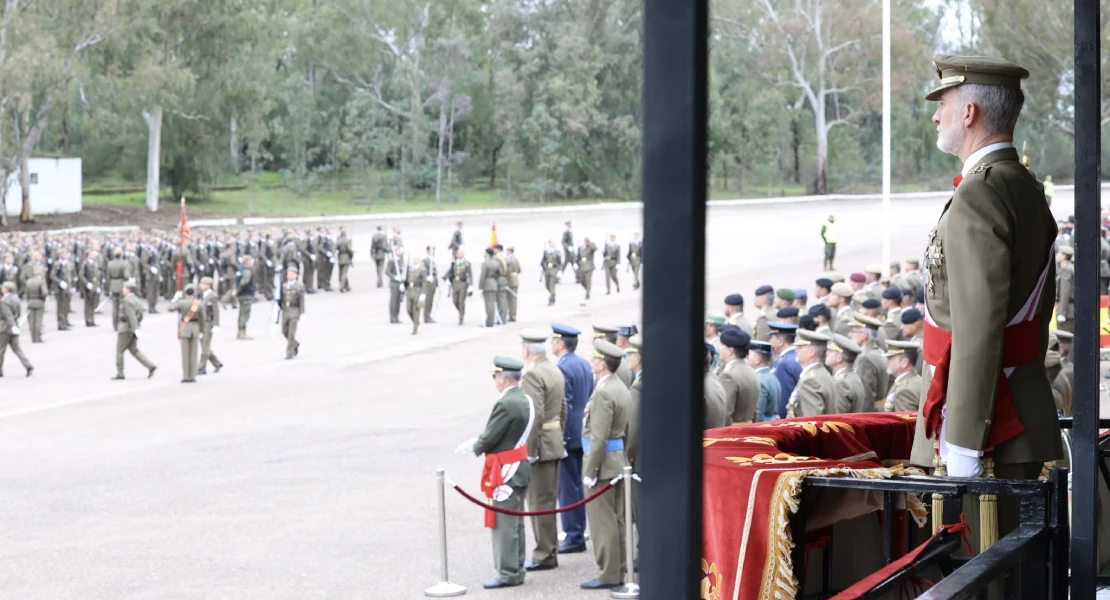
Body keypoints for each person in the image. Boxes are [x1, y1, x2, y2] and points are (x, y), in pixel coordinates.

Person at [912, 54, 1063, 533]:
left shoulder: (981, 192)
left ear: (970, 113)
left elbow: (976, 329)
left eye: (944, 102)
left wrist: (961, 446)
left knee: (981, 579)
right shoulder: (1020, 183)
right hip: (1018, 416)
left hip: (990, 429)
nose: (937, 114)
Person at [455, 356, 534, 590]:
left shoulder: (506, 403)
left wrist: (477, 445)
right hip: (518, 467)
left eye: (495, 376)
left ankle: (508, 572)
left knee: (505, 525)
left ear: (502, 378)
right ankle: (516, 568)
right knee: (515, 522)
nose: (494, 381)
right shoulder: (525, 398)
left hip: (506, 471)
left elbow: (491, 436)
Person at [580, 339, 631, 590]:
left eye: (594, 358)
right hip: (617, 460)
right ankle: (618, 568)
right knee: (617, 519)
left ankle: (608, 573)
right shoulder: (620, 387)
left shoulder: (603, 392)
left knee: (603, 522)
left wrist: (591, 470)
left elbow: (598, 436)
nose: (592, 362)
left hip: (601, 463)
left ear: (602, 363)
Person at [519, 329, 567, 573]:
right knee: (548, 499)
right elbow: (563, 407)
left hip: (541, 446)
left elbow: (534, 414)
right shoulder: (553, 369)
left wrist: (532, 449)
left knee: (539, 502)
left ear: (526, 351)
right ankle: (549, 550)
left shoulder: (533, 375)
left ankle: (544, 553)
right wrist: (557, 436)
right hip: (554, 440)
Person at [551, 323, 592, 555]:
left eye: (553, 340)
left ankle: (574, 534)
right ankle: (578, 530)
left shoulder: (563, 367)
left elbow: (563, 404)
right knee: (577, 485)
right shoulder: (584, 363)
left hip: (569, 433)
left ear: (560, 343)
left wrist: (562, 437)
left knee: (568, 488)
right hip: (583, 431)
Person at [784, 329, 834, 417]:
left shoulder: (811, 380)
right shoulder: (821, 373)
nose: (796, 351)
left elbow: (812, 423)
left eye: (800, 347)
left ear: (811, 353)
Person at [112, 281, 154, 381]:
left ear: (128, 289)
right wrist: (137, 327)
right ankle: (150, 366)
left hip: (125, 328)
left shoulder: (127, 300)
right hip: (133, 327)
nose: (123, 289)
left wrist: (135, 328)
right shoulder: (137, 300)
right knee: (133, 350)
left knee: (119, 350)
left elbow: (131, 316)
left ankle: (120, 372)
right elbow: (140, 315)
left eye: (124, 288)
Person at [717, 328, 760, 424]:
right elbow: (755, 411)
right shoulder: (751, 371)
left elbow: (725, 414)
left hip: (733, 434)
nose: (719, 349)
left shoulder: (728, 375)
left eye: (721, 346)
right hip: (749, 430)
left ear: (730, 351)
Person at [167, 284, 206, 383]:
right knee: (194, 354)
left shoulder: (181, 303)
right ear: (194, 292)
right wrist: (202, 331)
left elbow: (170, 308)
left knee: (185, 355)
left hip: (184, 328)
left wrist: (174, 299)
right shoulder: (198, 303)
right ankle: (192, 376)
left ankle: (186, 376)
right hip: (195, 328)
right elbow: (203, 319)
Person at [827, 334, 867, 413]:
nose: (826, 353)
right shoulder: (853, 376)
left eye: (830, 351)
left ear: (839, 358)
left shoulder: (840, 383)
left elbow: (837, 419)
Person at [768, 322, 801, 417]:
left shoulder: (784, 363)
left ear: (780, 341)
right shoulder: (795, 357)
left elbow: (783, 399)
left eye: (771, 338)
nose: (770, 342)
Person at [0, 281, 32, 377]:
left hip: (5, 327)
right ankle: (27, 365)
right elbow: (17, 314)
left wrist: (12, 326)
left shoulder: (3, 301)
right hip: (15, 326)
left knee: (1, 350)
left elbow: (8, 315)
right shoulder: (16, 299)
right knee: (17, 349)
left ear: (6, 289)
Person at [884, 340, 922, 412]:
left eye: (890, 358)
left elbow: (904, 422)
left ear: (904, 362)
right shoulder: (917, 380)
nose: (887, 361)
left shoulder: (905, 390)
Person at [197, 277, 223, 376]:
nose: (201, 286)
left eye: (203, 284)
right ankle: (217, 363)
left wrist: (216, 324)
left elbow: (216, 312)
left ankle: (201, 367)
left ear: (208, 286)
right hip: (201, 324)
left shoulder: (212, 297)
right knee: (205, 346)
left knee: (205, 347)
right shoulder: (201, 295)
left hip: (208, 324)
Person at [280, 267, 306, 359]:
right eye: (288, 274)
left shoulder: (299, 286)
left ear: (296, 275)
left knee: (291, 332)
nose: (289, 276)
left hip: (294, 310)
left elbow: (302, 300)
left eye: (291, 274)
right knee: (284, 330)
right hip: (285, 310)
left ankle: (289, 352)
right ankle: (295, 343)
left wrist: (302, 312)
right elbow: (281, 298)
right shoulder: (284, 285)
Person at [445, 249, 473, 326]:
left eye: (461, 253)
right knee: (455, 301)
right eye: (458, 253)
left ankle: (461, 317)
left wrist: (470, 285)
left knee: (461, 302)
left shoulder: (467, 263)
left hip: (462, 284)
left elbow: (470, 275)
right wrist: (447, 279)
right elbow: (450, 272)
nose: (459, 255)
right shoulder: (454, 263)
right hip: (455, 284)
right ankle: (461, 311)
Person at [106, 247, 130, 331]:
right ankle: (120, 323)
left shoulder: (110, 263)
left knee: (114, 307)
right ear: (121, 254)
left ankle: (115, 324)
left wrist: (107, 288)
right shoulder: (124, 263)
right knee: (121, 306)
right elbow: (126, 276)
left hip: (113, 285)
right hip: (121, 285)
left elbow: (108, 277)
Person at [404, 255, 427, 335]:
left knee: (416, 310)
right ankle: (416, 321)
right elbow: (407, 279)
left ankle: (415, 328)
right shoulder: (410, 268)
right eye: (414, 259)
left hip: (418, 290)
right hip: (410, 290)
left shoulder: (422, 270)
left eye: (416, 259)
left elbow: (424, 282)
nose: (414, 260)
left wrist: (423, 293)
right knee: (408, 309)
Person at [24, 266, 46, 343]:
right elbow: (44, 293)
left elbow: (26, 293)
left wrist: (29, 300)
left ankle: (33, 337)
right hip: (39, 301)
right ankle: (37, 337)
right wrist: (43, 299)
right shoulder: (41, 281)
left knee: (32, 321)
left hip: (30, 301)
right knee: (38, 321)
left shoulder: (28, 281)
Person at [236, 256, 256, 340]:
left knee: (241, 313)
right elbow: (244, 283)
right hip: (246, 294)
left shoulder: (240, 270)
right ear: (247, 262)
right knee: (245, 313)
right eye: (251, 261)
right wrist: (238, 291)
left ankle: (240, 332)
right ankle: (242, 333)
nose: (252, 263)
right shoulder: (247, 271)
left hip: (242, 295)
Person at [479, 248, 500, 328]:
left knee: (488, 304)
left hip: (487, 284)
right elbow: (499, 273)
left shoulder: (485, 263)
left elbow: (482, 276)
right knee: (492, 303)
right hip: (493, 283)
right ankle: (491, 320)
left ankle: (489, 321)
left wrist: (480, 287)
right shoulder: (496, 263)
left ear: (487, 254)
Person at [1055, 245, 1074, 333]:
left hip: (1067, 311)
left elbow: (1065, 292)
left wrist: (1062, 312)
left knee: (1066, 342)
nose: (1057, 255)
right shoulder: (1070, 267)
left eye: (1059, 253)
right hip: (1070, 310)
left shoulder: (1065, 269)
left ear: (1064, 256)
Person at [384, 247, 405, 324]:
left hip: (399, 283)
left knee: (398, 301)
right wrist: (394, 277)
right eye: (398, 250)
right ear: (395, 251)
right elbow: (387, 271)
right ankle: (392, 317)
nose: (400, 251)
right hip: (394, 283)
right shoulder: (391, 261)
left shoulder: (399, 260)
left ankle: (396, 316)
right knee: (393, 301)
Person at [541, 240, 561, 306]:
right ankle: (553, 294)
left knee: (552, 285)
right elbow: (543, 260)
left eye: (553, 243)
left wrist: (559, 271)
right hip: (547, 270)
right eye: (551, 243)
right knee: (547, 285)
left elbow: (559, 262)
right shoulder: (546, 251)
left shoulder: (557, 252)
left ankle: (551, 299)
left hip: (554, 270)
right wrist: (542, 267)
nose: (552, 244)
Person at [421, 247, 438, 325]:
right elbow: (423, 270)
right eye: (432, 250)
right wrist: (427, 277)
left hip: (433, 283)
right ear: (428, 251)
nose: (433, 252)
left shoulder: (432, 260)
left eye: (434, 250)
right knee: (428, 300)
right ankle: (426, 316)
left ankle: (428, 315)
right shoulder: (426, 260)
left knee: (430, 300)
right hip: (428, 283)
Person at [494, 244, 510, 322]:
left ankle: (501, 318)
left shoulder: (497, 258)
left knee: (500, 300)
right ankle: (503, 317)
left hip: (499, 279)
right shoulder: (505, 258)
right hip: (504, 278)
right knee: (503, 299)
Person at [506, 247, 521, 322]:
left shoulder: (509, 260)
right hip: (515, 280)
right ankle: (513, 315)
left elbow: (508, 272)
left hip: (510, 281)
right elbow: (519, 270)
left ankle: (512, 316)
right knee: (514, 300)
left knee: (510, 300)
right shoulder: (516, 259)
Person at [336, 226, 353, 293]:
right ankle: (342, 286)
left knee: (341, 273)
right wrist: (351, 256)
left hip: (340, 257)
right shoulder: (347, 240)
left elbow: (336, 248)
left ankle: (347, 286)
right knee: (344, 273)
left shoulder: (338, 240)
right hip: (346, 257)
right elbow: (349, 250)